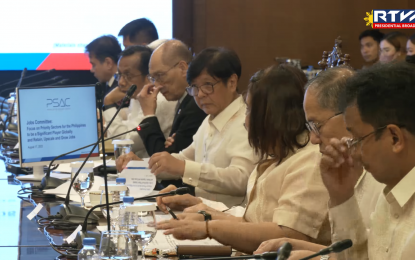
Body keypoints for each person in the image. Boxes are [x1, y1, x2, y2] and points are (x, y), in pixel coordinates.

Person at [155, 64, 332, 253]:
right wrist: (204, 211)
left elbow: (287, 235)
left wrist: (208, 228)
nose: (245, 121)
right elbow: (252, 223)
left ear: (271, 116)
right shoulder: (279, 156)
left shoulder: (310, 160)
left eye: (249, 110)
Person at [253, 66, 384, 259]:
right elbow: (357, 252)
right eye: (309, 126)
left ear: (349, 115)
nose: (313, 139)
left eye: (317, 125)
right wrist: (299, 247)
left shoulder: (384, 174)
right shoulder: (347, 166)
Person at [319, 62, 415, 259]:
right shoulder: (390, 193)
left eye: (358, 140)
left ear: (395, 138)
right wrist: (342, 198)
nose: (353, 152)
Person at [147, 47, 257, 206]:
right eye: (194, 87)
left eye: (207, 85)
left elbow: (241, 179)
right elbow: (184, 158)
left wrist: (184, 168)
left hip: (232, 221)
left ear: (232, 82)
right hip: (201, 214)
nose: (200, 94)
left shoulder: (245, 122)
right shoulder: (210, 119)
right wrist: (140, 166)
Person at [115, 40, 206, 191]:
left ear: (183, 68)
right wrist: (141, 163)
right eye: (153, 78)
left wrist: (149, 114)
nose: (157, 85)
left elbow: (167, 163)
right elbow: (169, 158)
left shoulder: (196, 105)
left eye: (160, 76)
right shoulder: (184, 101)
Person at [103, 46, 176, 158]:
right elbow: (130, 127)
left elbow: (126, 142)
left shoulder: (158, 100)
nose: (121, 82)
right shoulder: (139, 96)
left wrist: (108, 104)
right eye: (120, 75)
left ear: (148, 77)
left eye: (128, 75)